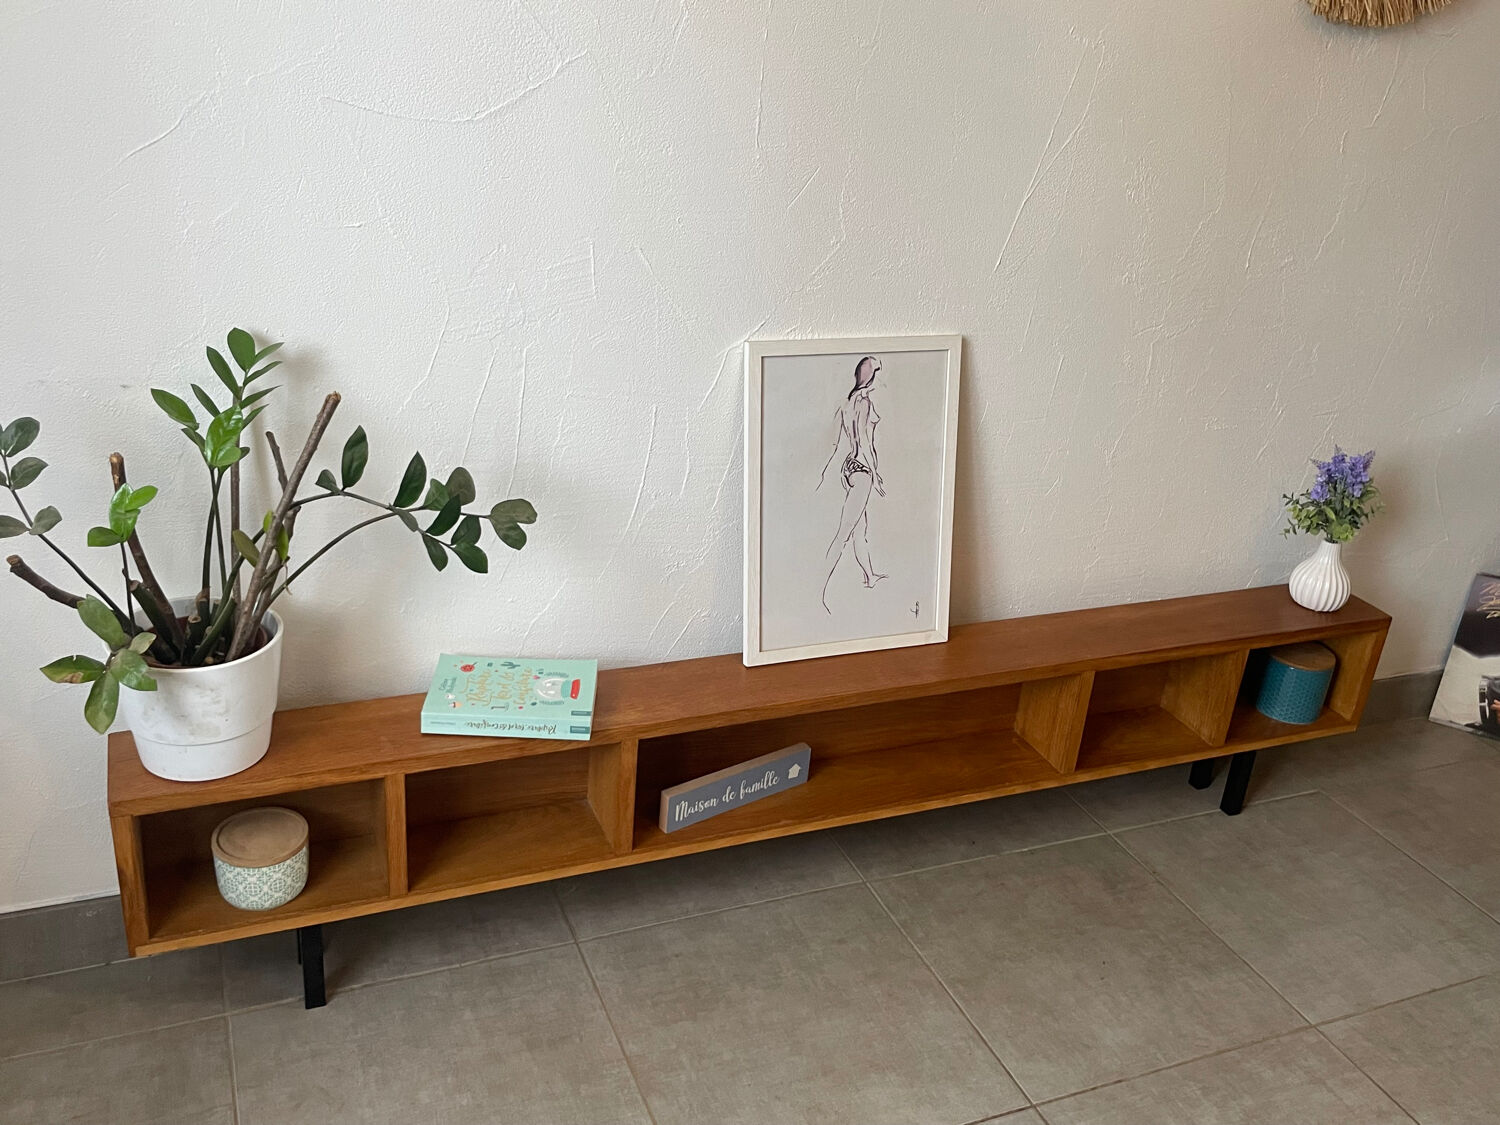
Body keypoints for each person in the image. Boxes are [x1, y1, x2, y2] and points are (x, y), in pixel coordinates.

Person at [816, 355, 885, 611]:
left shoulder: (847, 402)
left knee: (859, 529)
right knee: (844, 533)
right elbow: (865, 442)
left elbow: (837, 442)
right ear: (871, 377)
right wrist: (875, 474)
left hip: (849, 468)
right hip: (863, 470)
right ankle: (818, 589)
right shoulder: (864, 402)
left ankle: (869, 575)